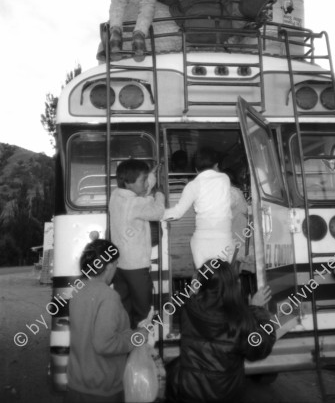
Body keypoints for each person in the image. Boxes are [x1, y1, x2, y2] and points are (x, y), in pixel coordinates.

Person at [165, 259, 275, 403]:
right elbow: (260, 349)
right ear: (235, 285)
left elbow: (194, 299)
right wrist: (256, 309)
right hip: (224, 395)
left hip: (189, 391)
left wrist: (193, 291)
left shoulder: (188, 309)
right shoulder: (240, 320)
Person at [65, 239, 148, 403]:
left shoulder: (78, 289)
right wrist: (137, 336)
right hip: (102, 391)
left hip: (76, 385)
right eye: (116, 264)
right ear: (109, 265)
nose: (116, 269)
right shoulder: (108, 296)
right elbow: (105, 344)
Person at [109, 159, 165, 328]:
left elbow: (143, 191)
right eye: (143, 180)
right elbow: (157, 212)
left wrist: (151, 175)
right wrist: (160, 195)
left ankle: (127, 346)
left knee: (125, 308)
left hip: (119, 265)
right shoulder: (136, 203)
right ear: (128, 183)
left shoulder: (116, 195)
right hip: (137, 267)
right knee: (143, 313)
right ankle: (140, 348)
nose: (146, 183)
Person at [162, 147, 234, 269]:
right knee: (223, 279)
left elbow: (177, 213)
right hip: (224, 239)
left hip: (201, 241)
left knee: (204, 280)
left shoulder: (193, 185)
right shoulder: (224, 179)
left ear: (196, 169)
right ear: (216, 166)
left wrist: (156, 214)